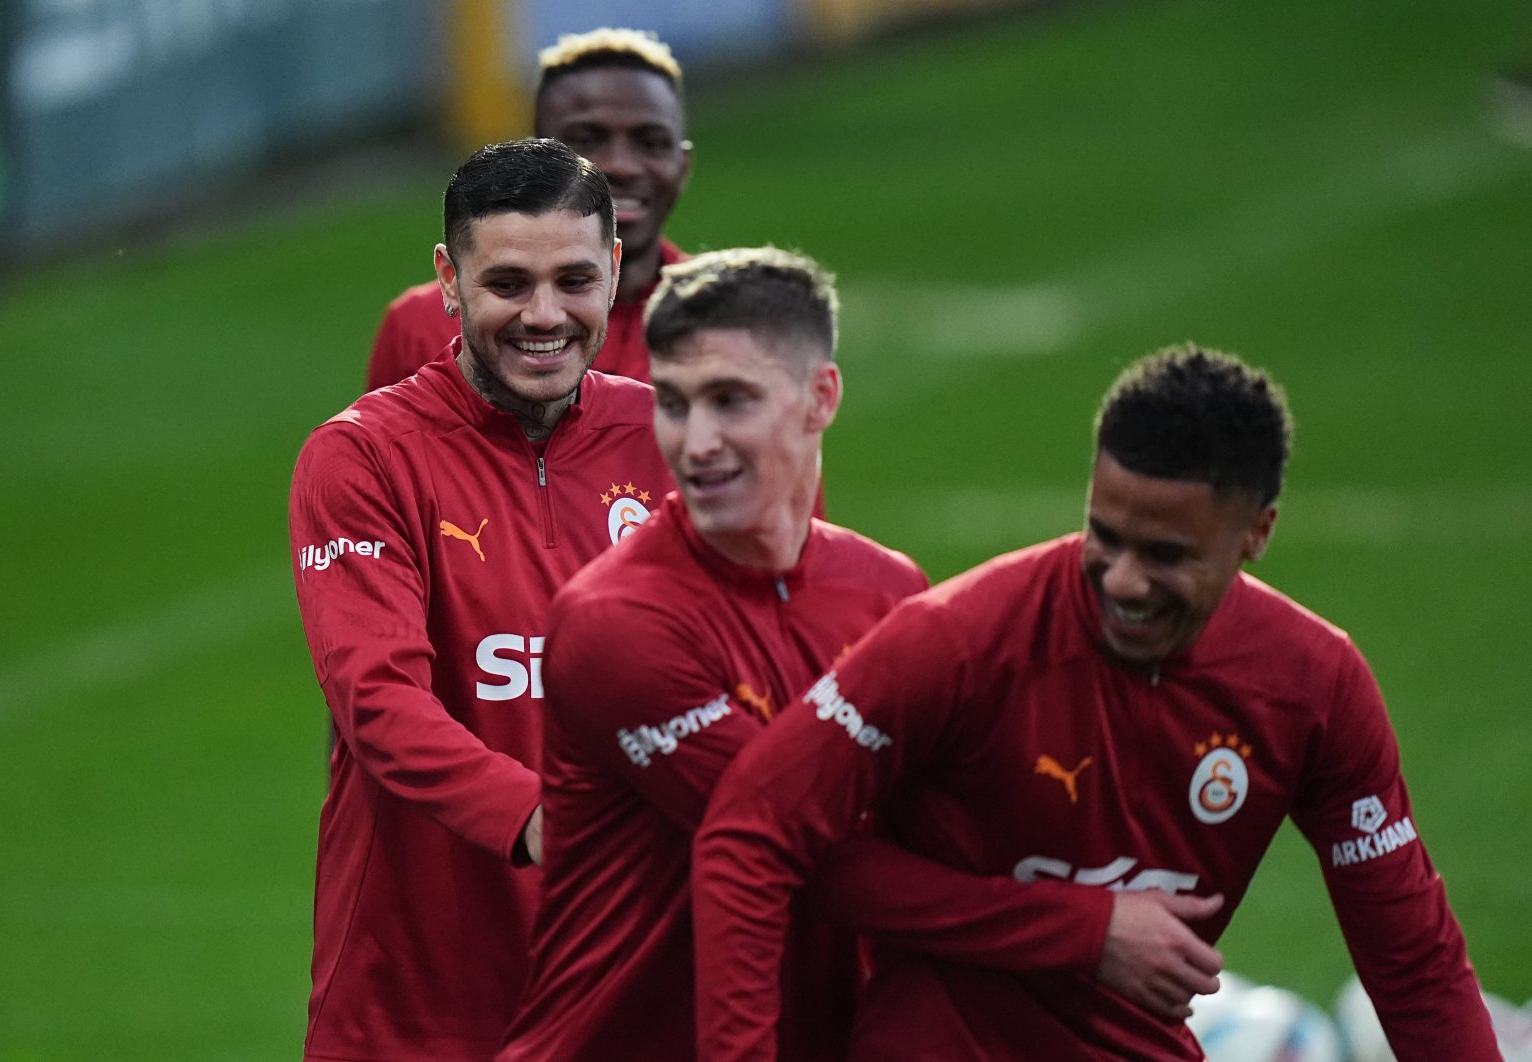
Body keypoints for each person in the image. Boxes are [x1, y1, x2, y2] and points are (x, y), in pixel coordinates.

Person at [497, 252, 1223, 1061]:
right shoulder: (617, 626)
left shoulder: (888, 590)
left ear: (821, 399)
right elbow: (799, 853)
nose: (696, 442)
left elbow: (943, 826)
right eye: (674, 402)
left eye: (730, 401)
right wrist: (1082, 928)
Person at [692, 345, 1502, 1061]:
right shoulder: (961, 639)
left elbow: (1415, 966)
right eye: (1103, 535)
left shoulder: (1314, 684)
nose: (1121, 580)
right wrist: (1078, 929)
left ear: (1256, 533)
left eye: (1165, 555)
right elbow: (749, 836)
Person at [289, 138, 674, 1061]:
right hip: (417, 1011)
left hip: (631, 995)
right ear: (447, 282)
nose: (544, 316)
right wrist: (543, 818)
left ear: (615, 269)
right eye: (507, 284)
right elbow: (376, 699)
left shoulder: (669, 440)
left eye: (576, 280)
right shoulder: (363, 457)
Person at [365, 27, 692, 392]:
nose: (620, 165)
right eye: (586, 139)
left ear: (683, 164)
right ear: (535, 153)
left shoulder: (728, 317)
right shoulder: (419, 326)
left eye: (651, 142)